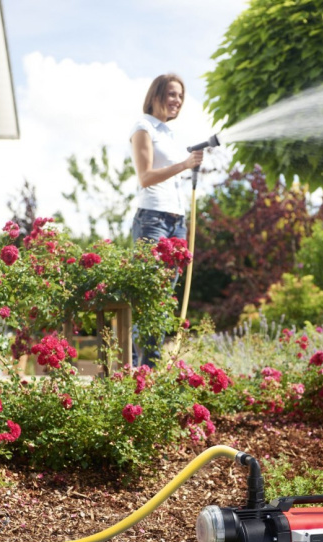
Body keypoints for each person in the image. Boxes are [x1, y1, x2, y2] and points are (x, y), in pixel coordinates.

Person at [130, 73, 203, 367]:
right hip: (152, 219)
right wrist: (184, 164)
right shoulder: (143, 127)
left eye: (181, 96)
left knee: (164, 296)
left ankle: (150, 363)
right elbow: (146, 177)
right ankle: (142, 366)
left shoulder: (170, 134)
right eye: (172, 94)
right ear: (156, 95)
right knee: (150, 294)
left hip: (177, 221)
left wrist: (188, 166)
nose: (177, 101)